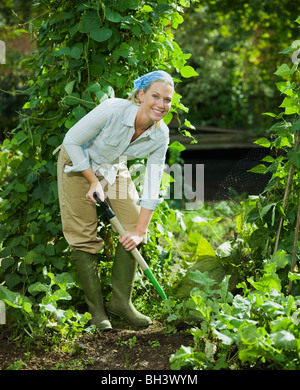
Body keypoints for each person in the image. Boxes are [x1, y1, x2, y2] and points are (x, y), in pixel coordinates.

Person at [56, 70, 174, 331]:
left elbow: (154, 181)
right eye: (156, 96)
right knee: (84, 235)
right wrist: (92, 180)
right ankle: (97, 311)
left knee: (133, 225)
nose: (161, 104)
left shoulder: (160, 134)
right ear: (141, 95)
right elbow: (72, 141)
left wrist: (140, 231)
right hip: (76, 164)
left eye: (167, 100)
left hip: (111, 165)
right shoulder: (112, 110)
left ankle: (121, 303)